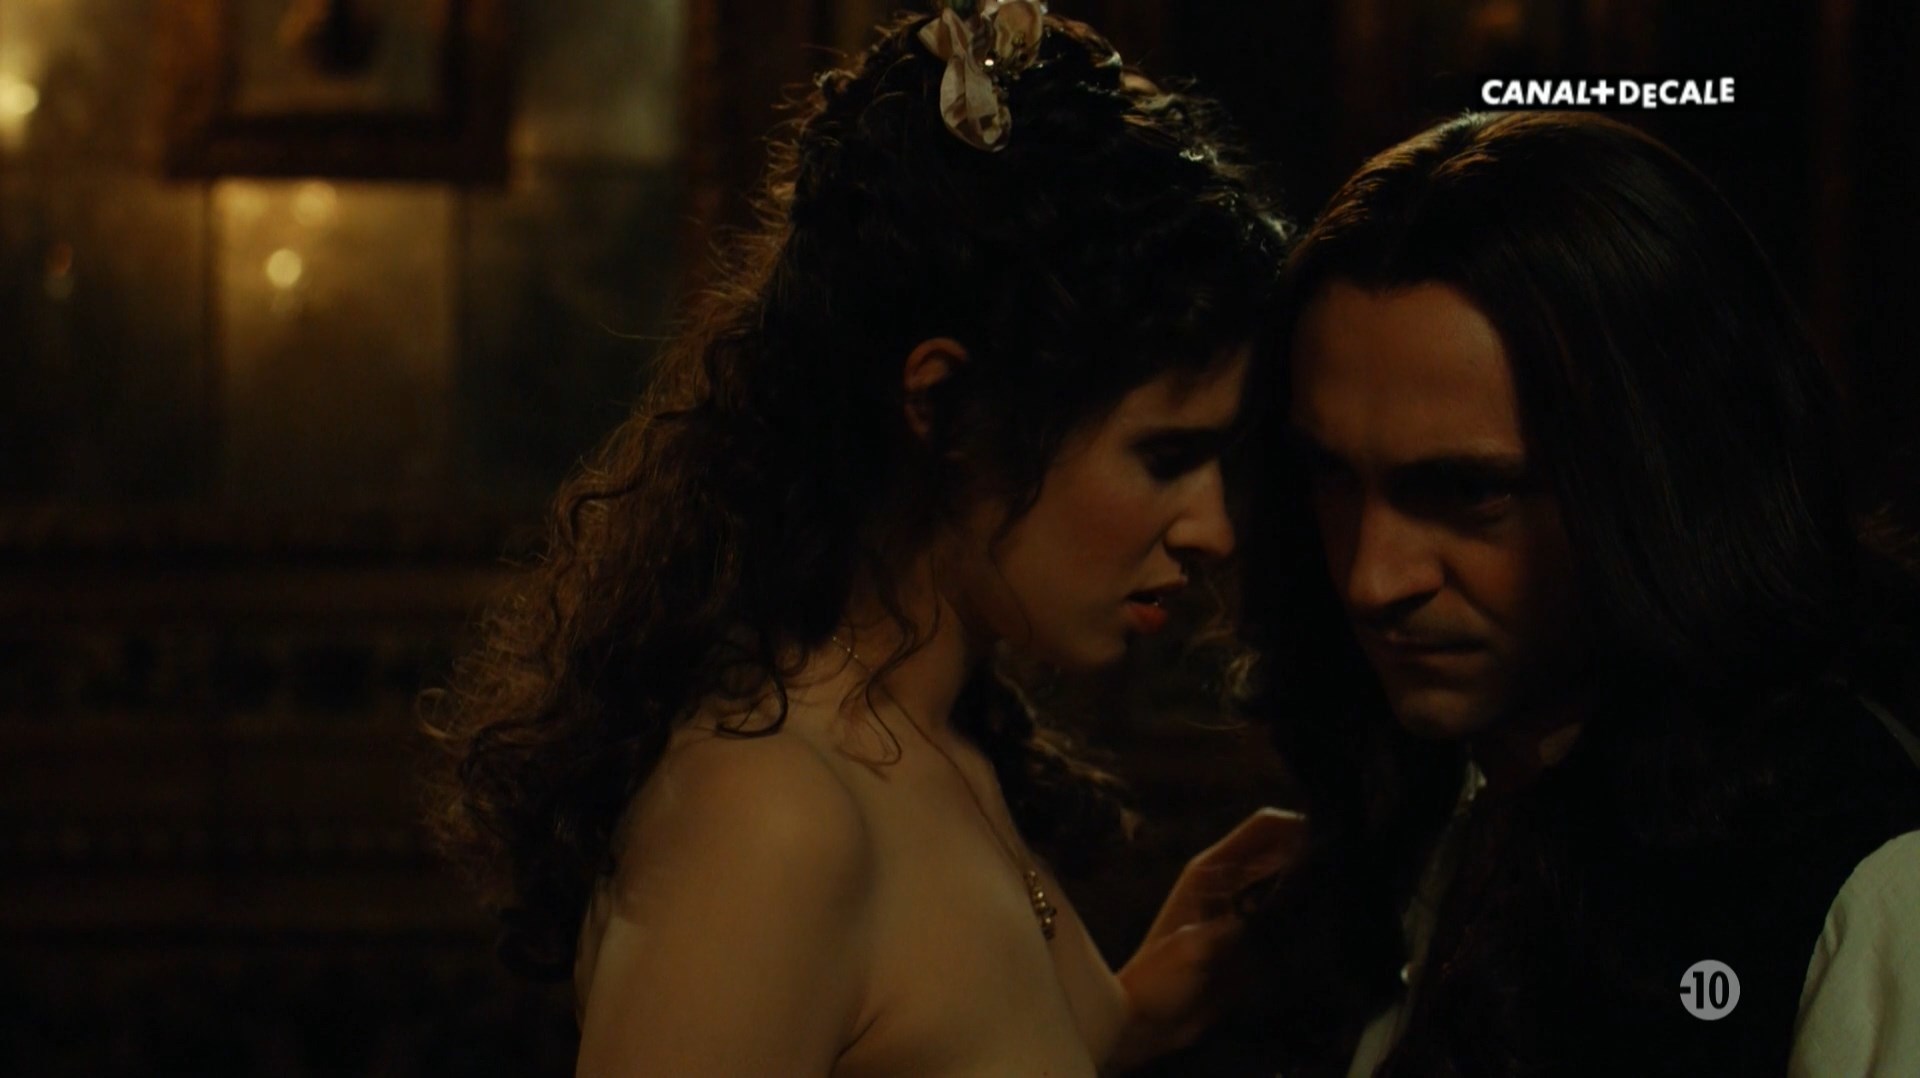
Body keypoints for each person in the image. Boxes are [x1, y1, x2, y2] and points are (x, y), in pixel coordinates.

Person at [424, 4, 1301, 1075]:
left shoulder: (937, 738)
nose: (1213, 527)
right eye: (1165, 457)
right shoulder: (773, 818)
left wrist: (1135, 1015)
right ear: (942, 406)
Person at [1223, 111, 1920, 1076]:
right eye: (1333, 476)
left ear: (1667, 481)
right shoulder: (1427, 800)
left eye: (1469, 492)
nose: (1371, 579)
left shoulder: (1865, 881)